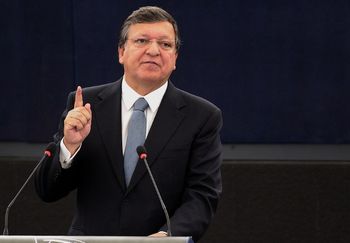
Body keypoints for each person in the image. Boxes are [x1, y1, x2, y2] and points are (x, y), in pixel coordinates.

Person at [35, 6, 222, 242]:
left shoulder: (202, 116)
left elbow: (202, 194)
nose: (154, 51)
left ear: (175, 58)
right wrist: (69, 145)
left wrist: (168, 235)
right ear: (121, 52)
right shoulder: (85, 104)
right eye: (142, 40)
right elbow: (47, 191)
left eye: (165, 45)